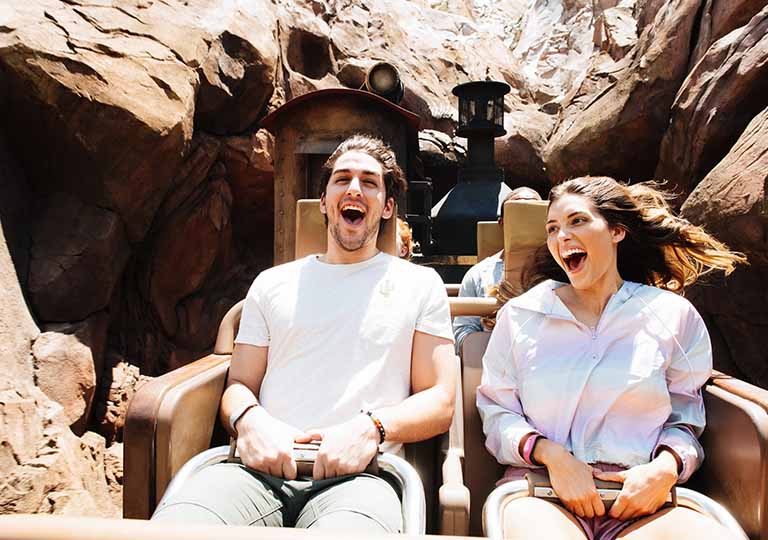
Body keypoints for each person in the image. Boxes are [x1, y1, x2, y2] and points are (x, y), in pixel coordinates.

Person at [152, 134, 456, 532]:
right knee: (177, 525)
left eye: (369, 182)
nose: (354, 189)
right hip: (257, 471)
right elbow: (239, 383)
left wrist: (372, 429)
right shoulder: (271, 284)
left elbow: (440, 399)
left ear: (387, 208)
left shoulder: (420, 284)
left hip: (360, 477)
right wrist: (249, 421)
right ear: (325, 204)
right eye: (342, 179)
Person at [477, 176, 745, 540]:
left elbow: (685, 418)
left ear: (617, 231)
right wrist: (553, 457)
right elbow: (497, 412)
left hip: (642, 499)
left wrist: (665, 469)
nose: (561, 237)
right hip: (543, 492)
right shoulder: (521, 315)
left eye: (577, 221)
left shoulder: (672, 314)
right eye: (552, 228)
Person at [453, 186, 541, 350]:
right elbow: (462, 330)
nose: (524, 220)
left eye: (531, 212)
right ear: (502, 223)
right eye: (517, 212)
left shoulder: (564, 270)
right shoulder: (479, 274)